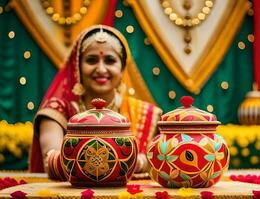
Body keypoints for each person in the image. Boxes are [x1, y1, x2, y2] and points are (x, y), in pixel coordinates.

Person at [30, 25, 162, 179]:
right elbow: (52, 162)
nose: (101, 69)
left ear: (122, 69)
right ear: (78, 67)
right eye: (91, 60)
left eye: (110, 60)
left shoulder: (147, 114)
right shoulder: (57, 111)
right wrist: (135, 162)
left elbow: (159, 162)